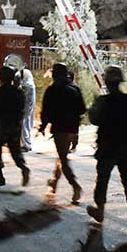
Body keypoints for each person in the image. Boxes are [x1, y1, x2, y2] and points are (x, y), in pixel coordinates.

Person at [86, 65, 127, 239]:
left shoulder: (102, 102)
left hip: (107, 148)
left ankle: (100, 210)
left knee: (102, 179)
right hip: (126, 148)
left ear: (106, 82)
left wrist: (93, 108)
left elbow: (94, 120)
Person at [39, 62, 87, 204]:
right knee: (61, 157)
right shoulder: (75, 89)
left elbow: (46, 112)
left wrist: (43, 126)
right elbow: (82, 110)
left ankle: (75, 186)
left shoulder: (52, 90)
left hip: (60, 129)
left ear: (55, 75)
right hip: (72, 129)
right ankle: (53, 183)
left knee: (63, 159)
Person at [0, 65, 30, 187]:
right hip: (15, 125)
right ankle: (23, 167)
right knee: (15, 150)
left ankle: (0, 176)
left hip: (2, 125)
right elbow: (23, 109)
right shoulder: (19, 92)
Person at [19, 66, 37, 152]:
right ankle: (25, 144)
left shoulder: (27, 86)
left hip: (26, 109)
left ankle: (26, 145)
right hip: (28, 108)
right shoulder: (30, 84)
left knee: (24, 125)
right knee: (26, 125)